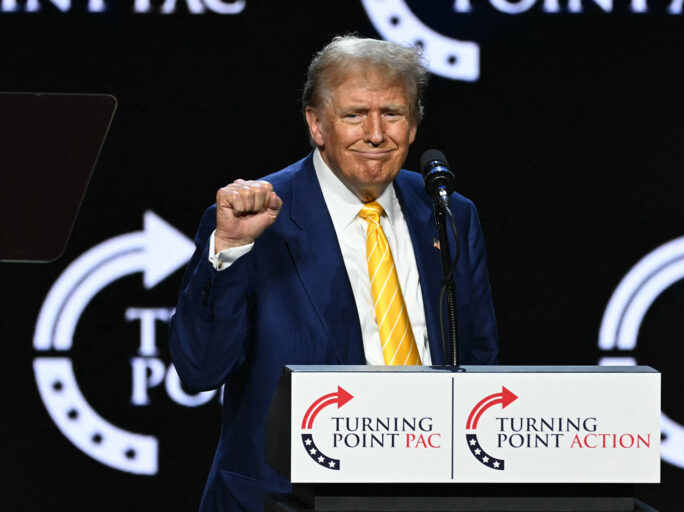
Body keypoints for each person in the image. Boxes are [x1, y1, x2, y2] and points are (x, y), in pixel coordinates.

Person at [169, 35, 499, 512]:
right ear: (316, 124)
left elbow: (479, 359)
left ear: (414, 125)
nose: (375, 133)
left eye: (392, 113)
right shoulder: (256, 218)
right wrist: (231, 250)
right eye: (354, 115)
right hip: (285, 499)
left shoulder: (449, 213)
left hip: (426, 492)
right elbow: (201, 370)